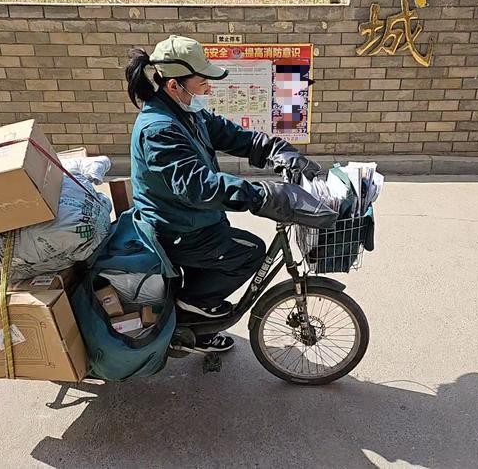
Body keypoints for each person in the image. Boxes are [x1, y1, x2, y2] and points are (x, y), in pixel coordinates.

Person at [125, 35, 335, 353]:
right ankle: (192, 305)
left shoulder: (187, 112)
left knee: (224, 250)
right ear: (174, 85)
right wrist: (263, 195)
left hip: (193, 220)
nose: (209, 89)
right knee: (250, 251)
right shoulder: (159, 129)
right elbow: (199, 186)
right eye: (202, 82)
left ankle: (199, 331)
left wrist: (275, 150)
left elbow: (232, 135)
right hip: (177, 229)